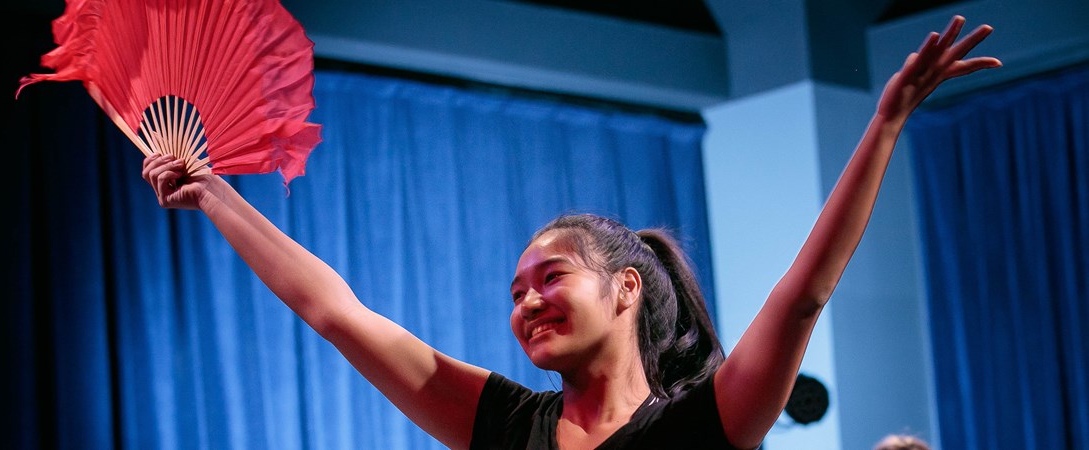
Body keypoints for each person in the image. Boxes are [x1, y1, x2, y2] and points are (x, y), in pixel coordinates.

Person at [139, 15, 1000, 450]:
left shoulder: (704, 427)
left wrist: (885, 123)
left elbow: (805, 293)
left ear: (626, 288)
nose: (527, 302)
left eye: (550, 278)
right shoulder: (503, 425)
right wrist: (214, 194)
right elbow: (337, 313)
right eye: (516, 292)